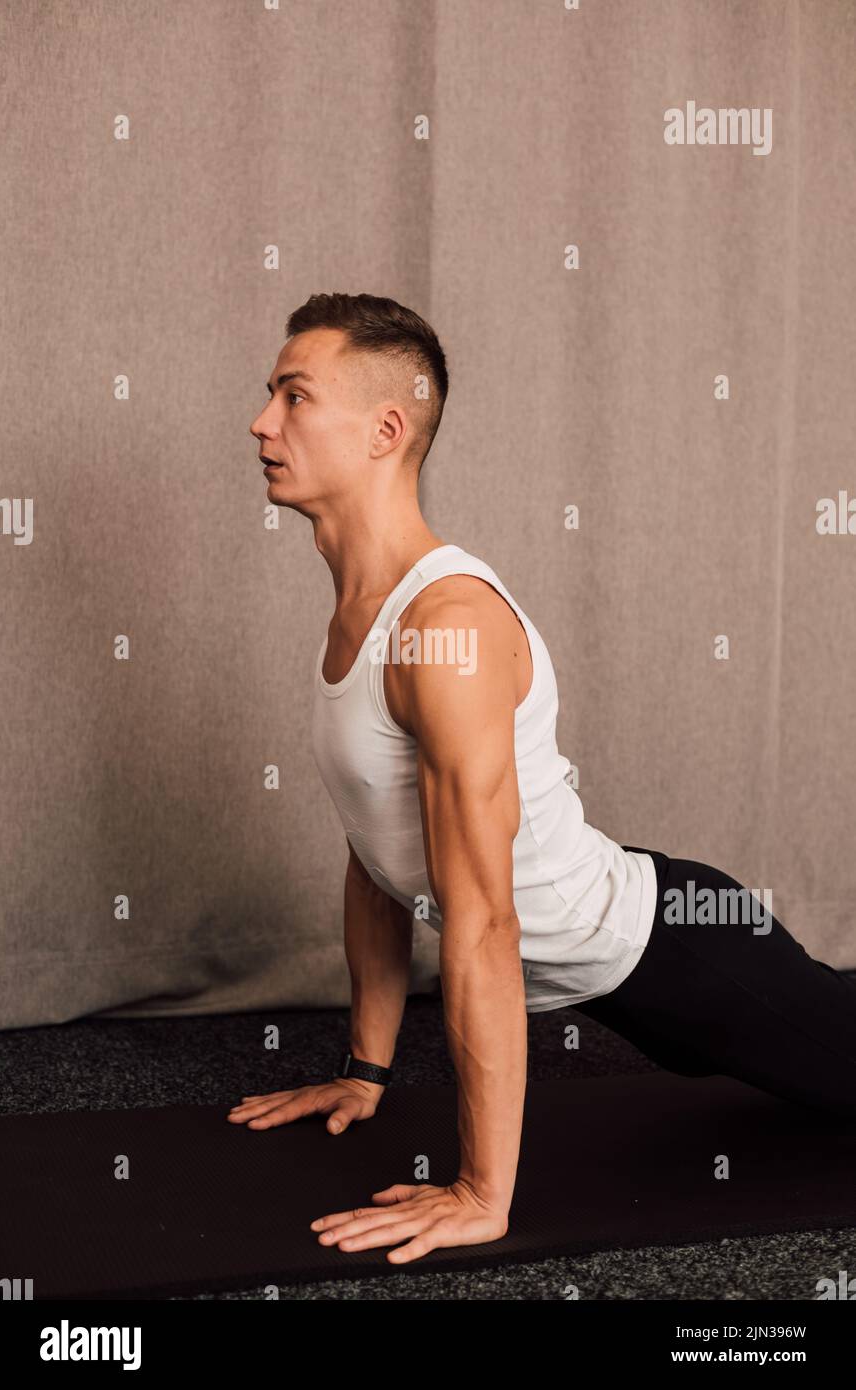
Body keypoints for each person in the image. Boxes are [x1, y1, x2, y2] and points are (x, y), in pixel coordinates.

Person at [228, 291, 856, 1266]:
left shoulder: (446, 627)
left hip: (686, 957)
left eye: (293, 396)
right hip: (628, 971)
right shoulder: (360, 613)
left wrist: (481, 1195)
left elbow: (481, 920)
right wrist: (365, 1071)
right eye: (269, 394)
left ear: (385, 429)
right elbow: (376, 861)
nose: (261, 422)